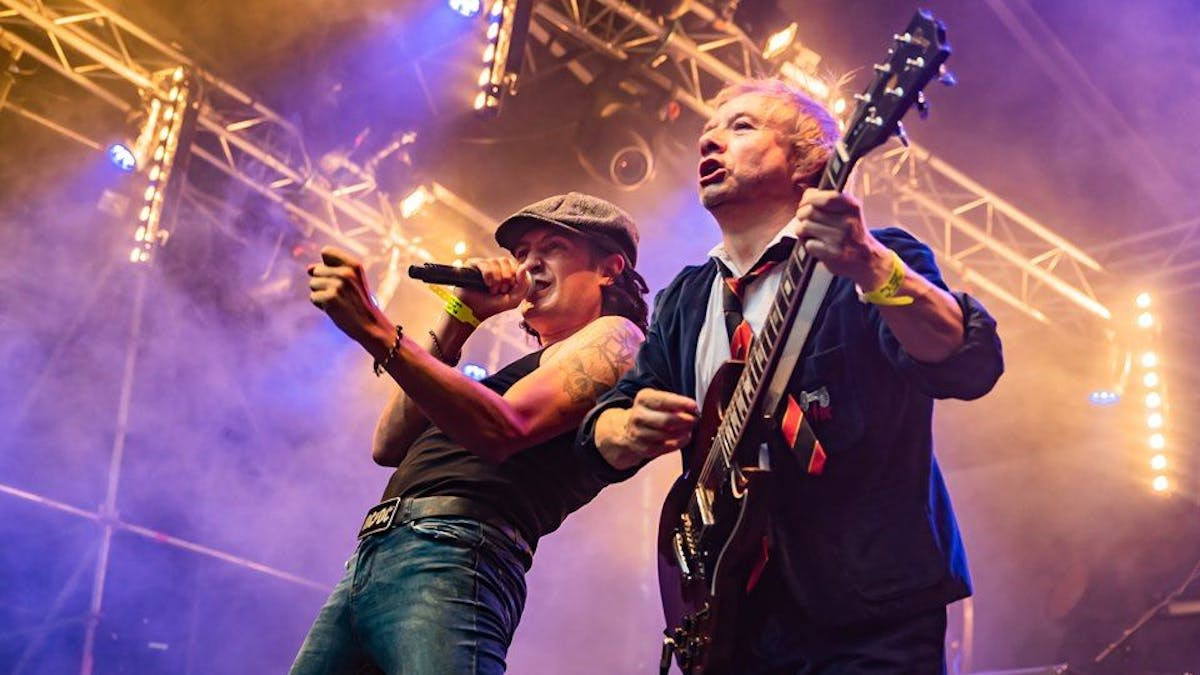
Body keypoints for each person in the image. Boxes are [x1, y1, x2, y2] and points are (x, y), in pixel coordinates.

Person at [578, 79, 1005, 671]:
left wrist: (873, 267)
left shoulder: (877, 258)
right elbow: (600, 432)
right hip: (735, 622)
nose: (710, 142)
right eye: (708, 132)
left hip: (870, 616)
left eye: (742, 126)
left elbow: (967, 363)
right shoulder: (685, 300)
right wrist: (625, 427)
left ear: (809, 162)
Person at [293, 192, 649, 674]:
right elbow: (388, 443)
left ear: (609, 268)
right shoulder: (515, 373)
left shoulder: (618, 338)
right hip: (375, 552)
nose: (529, 264)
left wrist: (375, 328)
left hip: (454, 552)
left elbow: (506, 426)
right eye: (521, 252)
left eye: (553, 248)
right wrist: (461, 315)